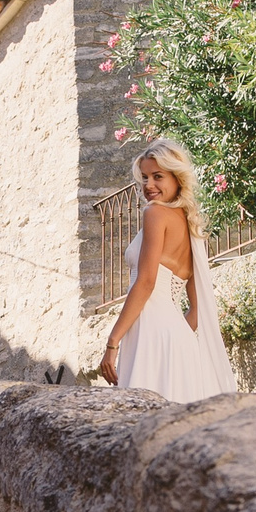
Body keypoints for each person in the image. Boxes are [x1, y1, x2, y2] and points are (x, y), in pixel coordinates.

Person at [99, 140, 238, 403]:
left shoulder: (155, 214)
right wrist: (175, 338)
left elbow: (147, 282)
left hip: (150, 332)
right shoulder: (190, 227)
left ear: (177, 178)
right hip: (180, 339)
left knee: (142, 425)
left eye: (158, 176)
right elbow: (198, 310)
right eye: (144, 177)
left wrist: (113, 342)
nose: (148, 185)